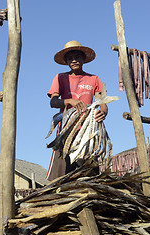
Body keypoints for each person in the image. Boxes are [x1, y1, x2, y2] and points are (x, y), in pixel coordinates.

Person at [46, 40, 108, 181]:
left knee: (89, 174)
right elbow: (53, 102)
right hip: (66, 130)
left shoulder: (94, 79)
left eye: (77, 57)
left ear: (83, 59)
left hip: (88, 131)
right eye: (70, 58)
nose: (74, 60)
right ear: (66, 61)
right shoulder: (60, 78)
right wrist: (69, 101)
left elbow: (102, 103)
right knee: (62, 176)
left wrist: (102, 113)